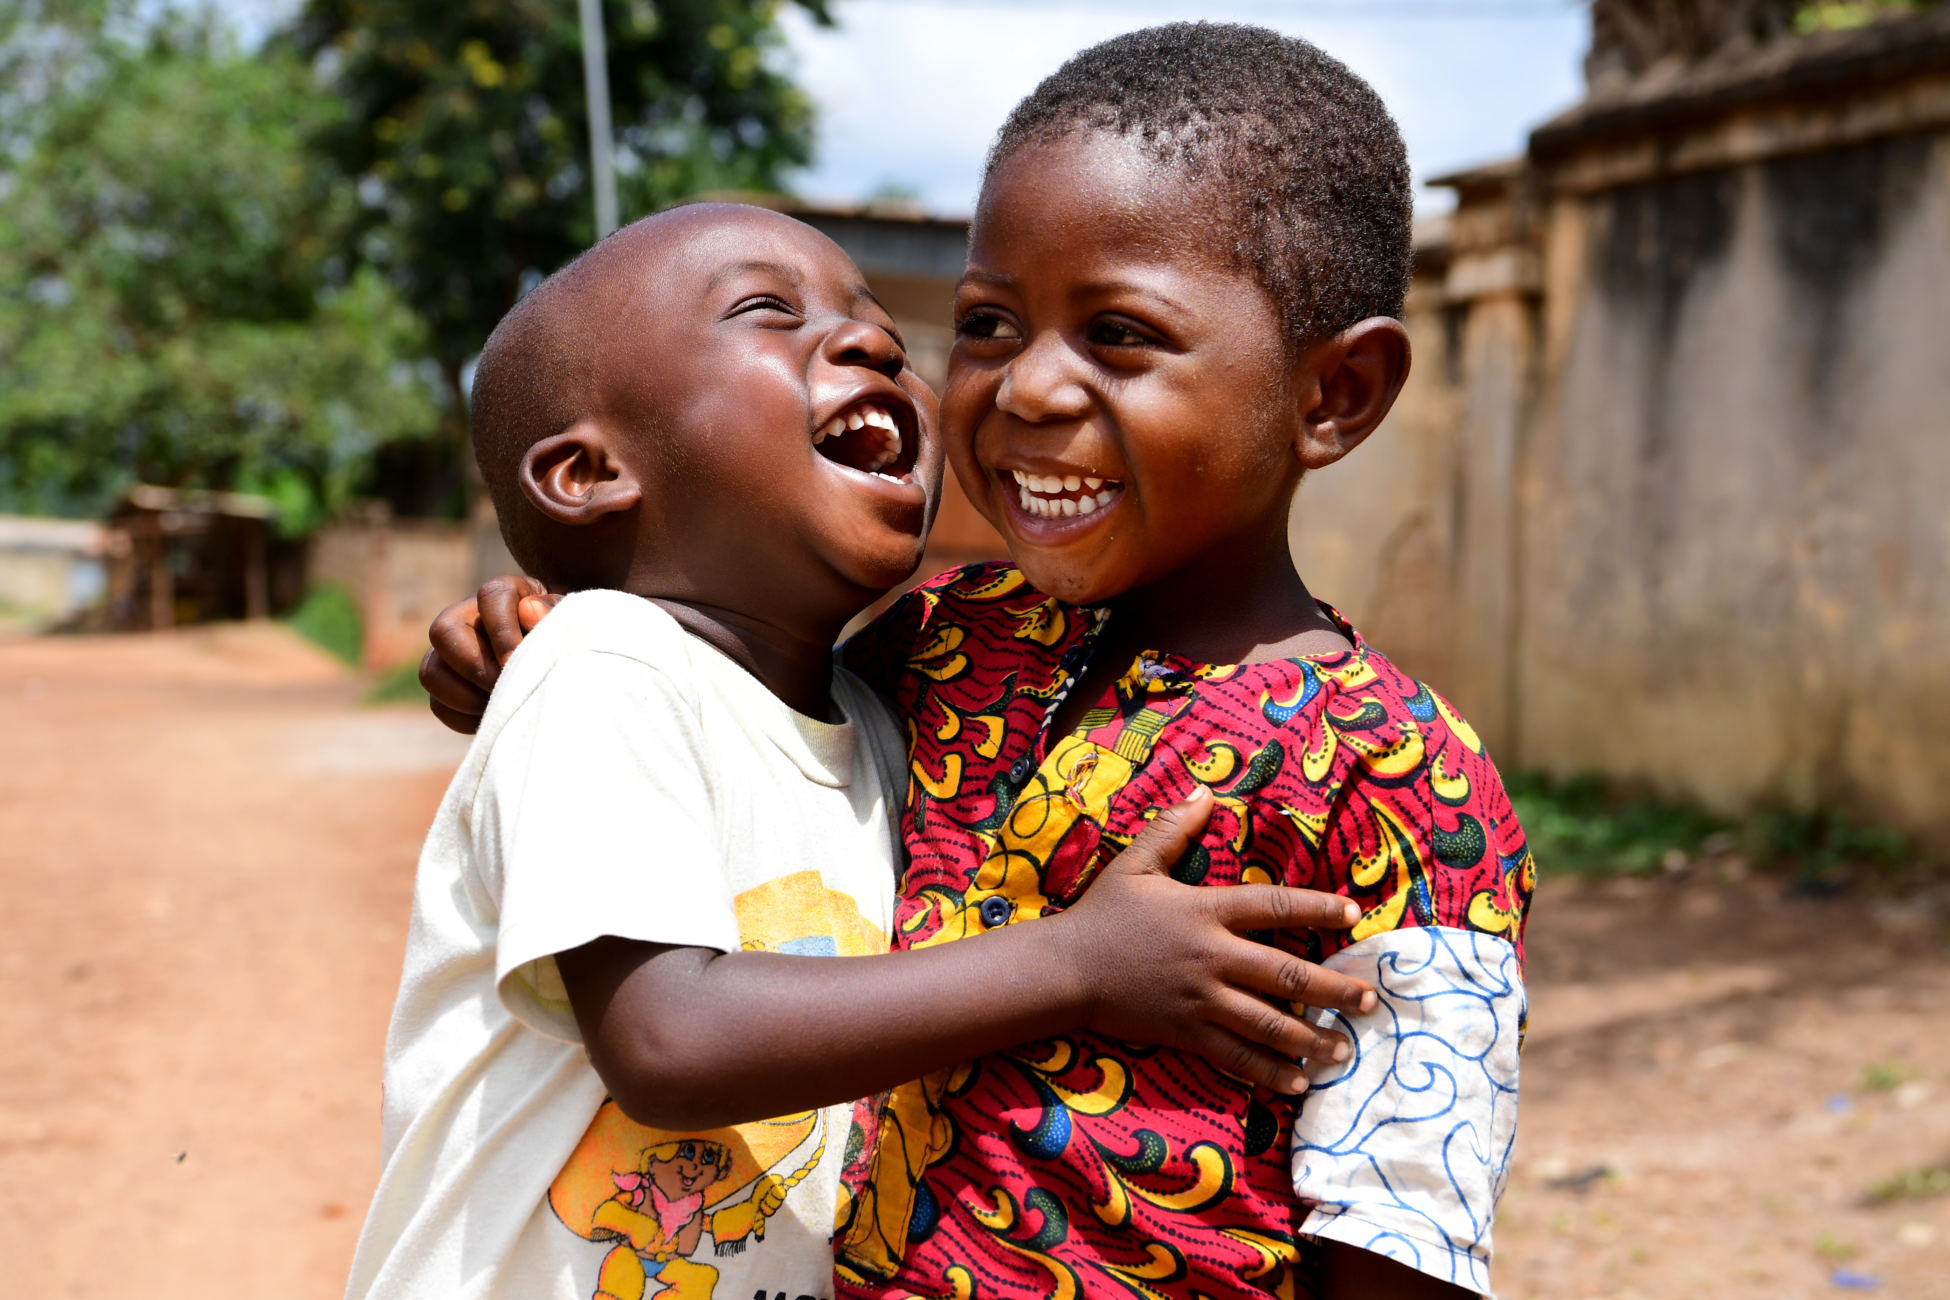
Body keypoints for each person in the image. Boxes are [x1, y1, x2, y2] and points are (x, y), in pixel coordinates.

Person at [429, 24, 1536, 1297]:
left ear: (1333, 394)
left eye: (1119, 333)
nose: (1025, 390)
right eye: (990, 323)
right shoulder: (944, 647)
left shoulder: (1405, 776)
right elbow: (724, 719)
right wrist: (540, 628)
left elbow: (1406, 1221)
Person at [351, 199, 1383, 1300]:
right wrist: (1081, 964)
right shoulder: (605, 662)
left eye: (878, 320)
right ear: (589, 475)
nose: (877, 342)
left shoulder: (890, 723)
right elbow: (668, 1042)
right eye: (766, 311)